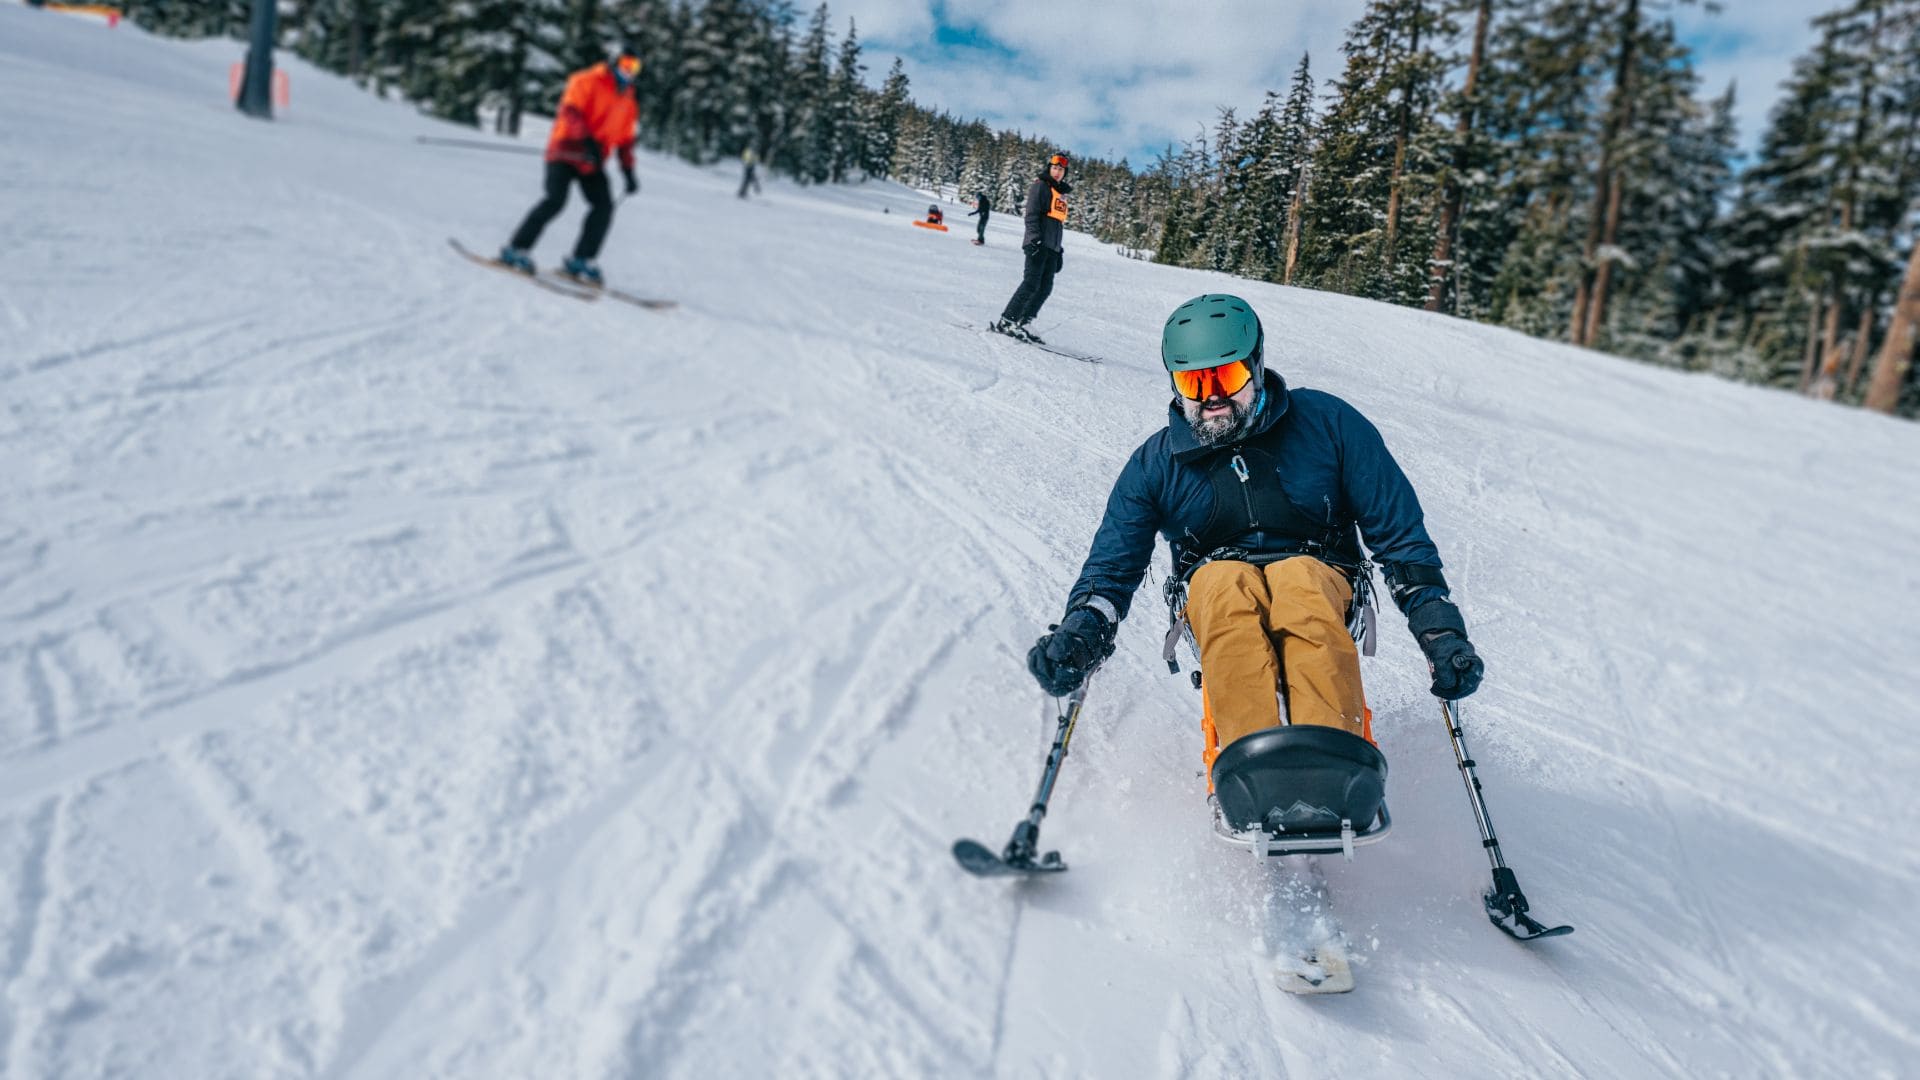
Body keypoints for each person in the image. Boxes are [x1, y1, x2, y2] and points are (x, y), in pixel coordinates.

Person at [1025, 293, 1484, 758]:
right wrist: (1083, 631)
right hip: (1214, 579)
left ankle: (1335, 761)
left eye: (1226, 375)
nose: (1212, 397)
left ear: (1257, 365)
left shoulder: (1329, 424)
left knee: (1299, 584)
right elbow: (1112, 566)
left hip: (1320, 569)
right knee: (1226, 588)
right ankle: (1254, 767)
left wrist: (1439, 631)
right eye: (1194, 381)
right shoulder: (1155, 464)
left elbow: (1399, 535)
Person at [498, 45, 643, 286]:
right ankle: (516, 249)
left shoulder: (628, 100)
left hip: (591, 162)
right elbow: (570, 112)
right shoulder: (586, 80)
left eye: (636, 67)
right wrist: (586, 142)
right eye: (626, 64)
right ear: (613, 61)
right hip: (566, 151)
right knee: (555, 200)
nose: (630, 71)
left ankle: (581, 260)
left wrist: (628, 171)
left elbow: (625, 139)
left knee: (604, 207)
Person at [991, 154, 1072, 342]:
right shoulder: (1040, 186)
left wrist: (1059, 251)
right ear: (1049, 168)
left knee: (1045, 287)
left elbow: (1057, 224)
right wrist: (1034, 239)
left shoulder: (1060, 194)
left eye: (1061, 170)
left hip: (1052, 248)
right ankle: (1007, 320)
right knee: (1031, 284)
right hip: (1038, 244)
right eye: (1055, 168)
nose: (1057, 172)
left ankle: (1024, 321)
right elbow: (1032, 215)